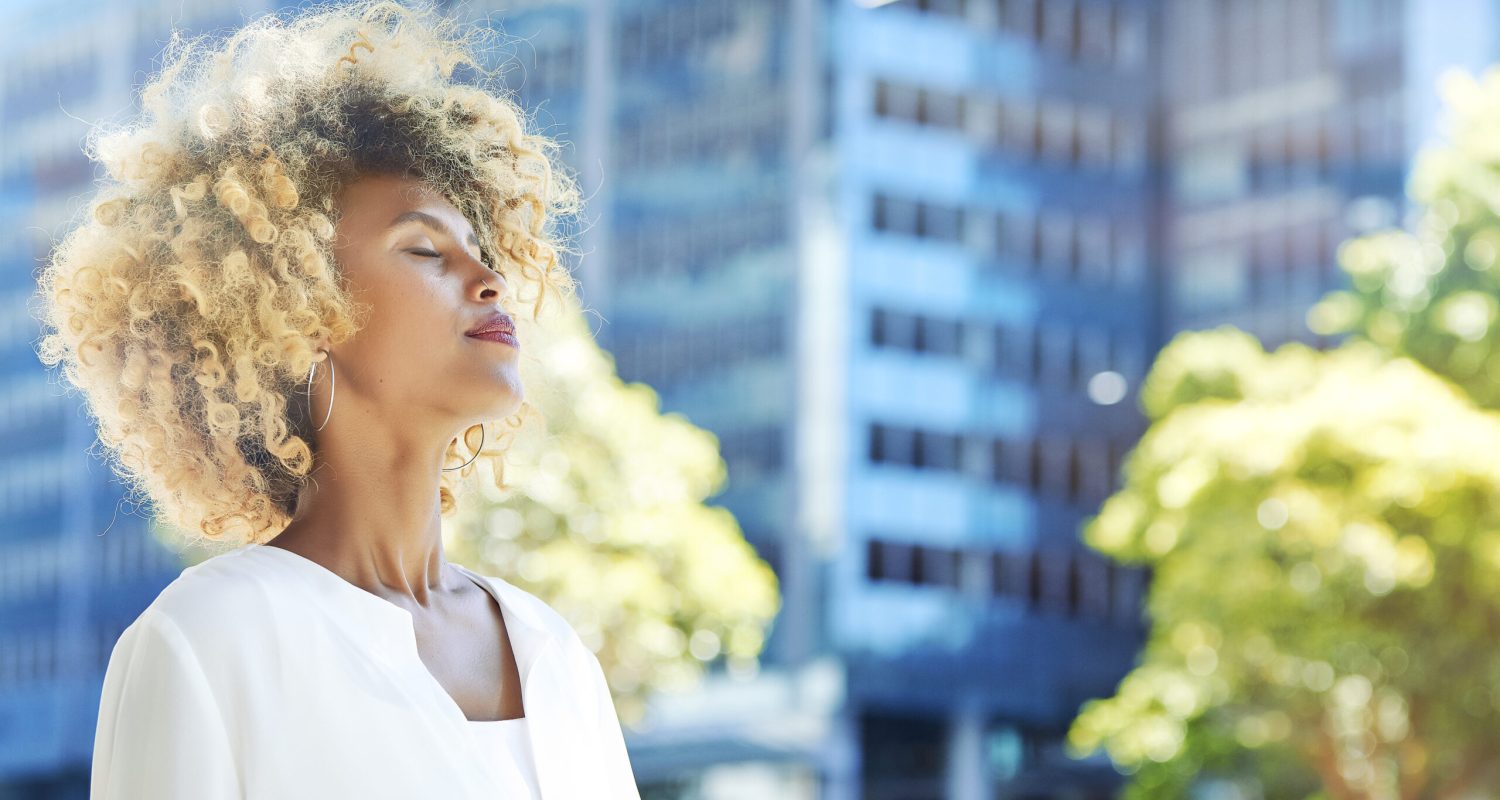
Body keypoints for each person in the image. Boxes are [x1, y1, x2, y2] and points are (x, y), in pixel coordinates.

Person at [34, 1, 639, 796]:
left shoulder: (554, 653)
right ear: (298, 311)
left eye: (482, 252)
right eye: (424, 249)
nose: (488, 279)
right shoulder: (211, 640)